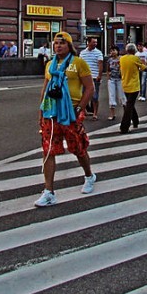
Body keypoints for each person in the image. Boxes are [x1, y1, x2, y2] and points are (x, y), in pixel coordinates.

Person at [35, 31, 96, 207]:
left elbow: (89, 88)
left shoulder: (78, 63)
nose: (58, 46)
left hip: (70, 112)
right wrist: (41, 110)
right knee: (48, 150)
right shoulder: (49, 65)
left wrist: (79, 108)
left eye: (62, 43)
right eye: (55, 43)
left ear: (69, 46)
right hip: (51, 112)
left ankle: (89, 176)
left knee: (78, 148)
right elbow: (45, 89)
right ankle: (49, 192)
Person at [119, 43, 147, 134]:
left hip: (125, 84)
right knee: (129, 105)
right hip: (134, 85)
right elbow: (144, 68)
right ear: (134, 50)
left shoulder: (122, 59)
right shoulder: (135, 58)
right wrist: (143, 64)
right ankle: (124, 126)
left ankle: (135, 121)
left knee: (129, 104)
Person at [79, 37, 104, 120]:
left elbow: (100, 64)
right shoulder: (82, 53)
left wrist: (99, 75)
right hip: (84, 77)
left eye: (96, 42)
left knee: (94, 96)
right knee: (84, 95)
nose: (95, 44)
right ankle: (84, 111)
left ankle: (95, 113)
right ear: (88, 42)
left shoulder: (98, 53)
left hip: (94, 77)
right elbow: (80, 65)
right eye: (93, 42)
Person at [106, 46, 125, 121]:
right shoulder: (109, 60)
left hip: (120, 79)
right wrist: (108, 78)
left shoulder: (121, 59)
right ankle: (112, 114)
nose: (112, 52)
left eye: (114, 50)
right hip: (112, 79)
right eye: (111, 51)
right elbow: (107, 69)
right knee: (111, 95)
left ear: (117, 51)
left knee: (122, 96)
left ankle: (125, 113)